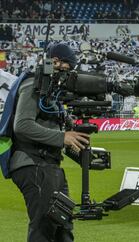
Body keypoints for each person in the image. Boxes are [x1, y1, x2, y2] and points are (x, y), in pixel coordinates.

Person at [9, 43, 90, 242]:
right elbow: (22, 125)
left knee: (63, 224)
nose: (68, 74)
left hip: (47, 165)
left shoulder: (48, 90)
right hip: (33, 163)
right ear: (55, 62)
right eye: (67, 68)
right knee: (44, 227)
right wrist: (62, 137)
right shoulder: (33, 85)